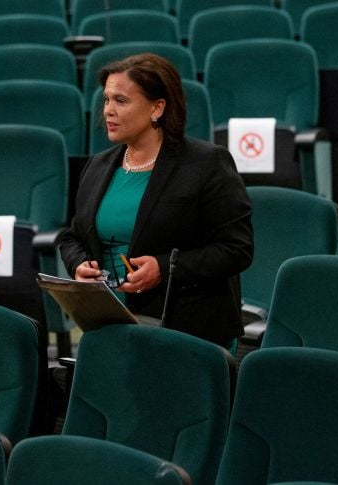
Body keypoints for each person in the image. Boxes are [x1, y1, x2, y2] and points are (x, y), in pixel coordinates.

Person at [57, 53, 253, 348]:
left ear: (157, 108)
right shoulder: (98, 165)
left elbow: (237, 249)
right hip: (108, 324)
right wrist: (79, 265)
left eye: (121, 101)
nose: (108, 111)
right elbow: (72, 236)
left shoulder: (206, 163)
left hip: (187, 328)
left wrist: (165, 267)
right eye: (107, 100)